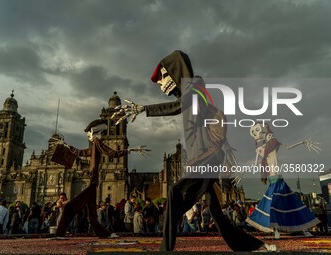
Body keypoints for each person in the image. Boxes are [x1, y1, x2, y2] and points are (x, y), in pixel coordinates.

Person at [112, 50, 276, 252]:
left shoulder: (194, 86)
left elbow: (179, 105)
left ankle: (166, 250)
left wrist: (145, 109)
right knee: (216, 212)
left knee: (173, 192)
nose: (162, 84)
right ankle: (255, 246)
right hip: (205, 158)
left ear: (175, 71)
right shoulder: (188, 92)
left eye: (164, 76)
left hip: (209, 157)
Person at [52, 119, 150, 237]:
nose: (88, 135)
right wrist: (66, 145)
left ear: (94, 132)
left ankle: (59, 233)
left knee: (69, 207)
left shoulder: (97, 142)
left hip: (93, 182)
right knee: (92, 216)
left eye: (89, 132)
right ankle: (105, 234)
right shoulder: (94, 145)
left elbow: (112, 153)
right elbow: (81, 152)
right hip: (94, 182)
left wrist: (129, 150)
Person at [246, 123, 320, 238]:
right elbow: (255, 164)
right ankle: (279, 230)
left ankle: (301, 229)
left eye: (257, 129)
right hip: (272, 180)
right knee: (280, 204)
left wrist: (303, 142)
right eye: (254, 131)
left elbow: (289, 147)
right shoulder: (261, 149)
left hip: (277, 179)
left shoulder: (274, 143)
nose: (256, 133)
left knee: (285, 203)